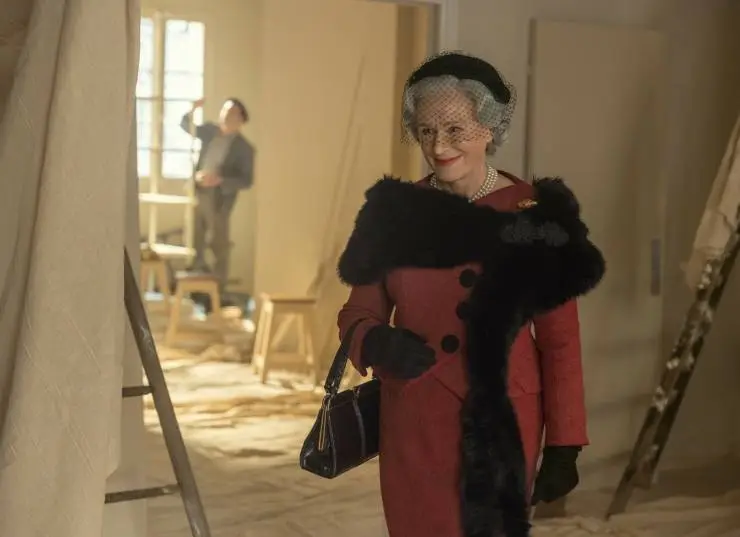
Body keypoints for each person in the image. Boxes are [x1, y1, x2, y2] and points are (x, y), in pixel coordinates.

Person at [335, 52, 606, 537]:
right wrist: (375, 341)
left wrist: (565, 443)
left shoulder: (534, 216)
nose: (438, 145)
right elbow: (357, 312)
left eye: (455, 129)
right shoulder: (391, 215)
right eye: (426, 130)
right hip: (415, 422)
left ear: (490, 127)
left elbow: (560, 342)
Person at [180, 97, 255, 290]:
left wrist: (220, 180)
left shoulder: (244, 148)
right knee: (196, 237)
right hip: (199, 192)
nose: (226, 116)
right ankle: (195, 286)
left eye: (231, 113)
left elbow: (246, 180)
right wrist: (193, 109)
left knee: (218, 243)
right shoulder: (210, 131)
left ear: (241, 119)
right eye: (224, 111)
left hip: (220, 199)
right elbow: (186, 126)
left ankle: (218, 289)